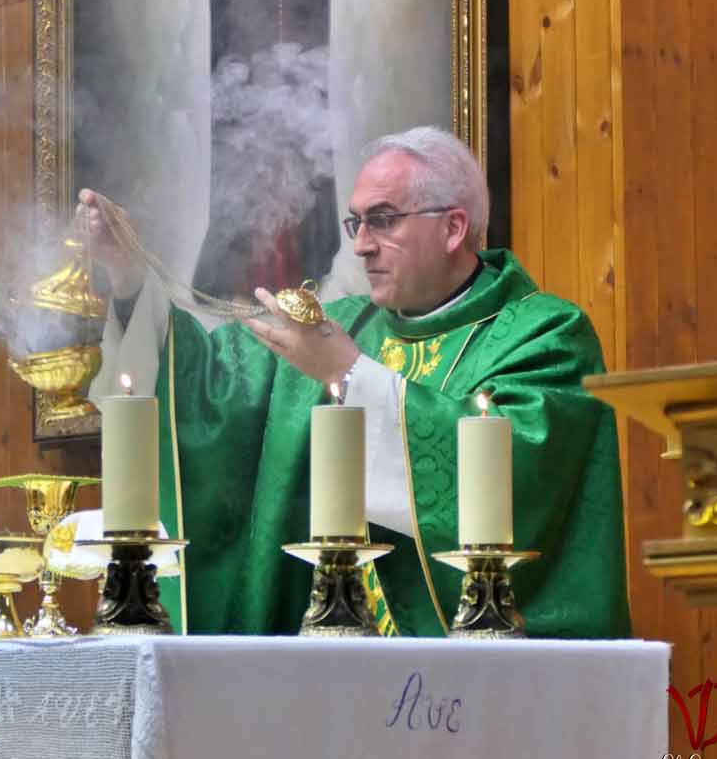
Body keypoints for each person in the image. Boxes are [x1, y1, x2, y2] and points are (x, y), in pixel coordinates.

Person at [82, 126, 630, 638]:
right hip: (329, 665)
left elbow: (522, 480)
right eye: (356, 223)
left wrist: (347, 374)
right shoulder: (336, 327)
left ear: (454, 227)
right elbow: (209, 391)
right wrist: (129, 279)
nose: (362, 244)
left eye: (384, 220)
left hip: (478, 672)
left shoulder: (546, 335)